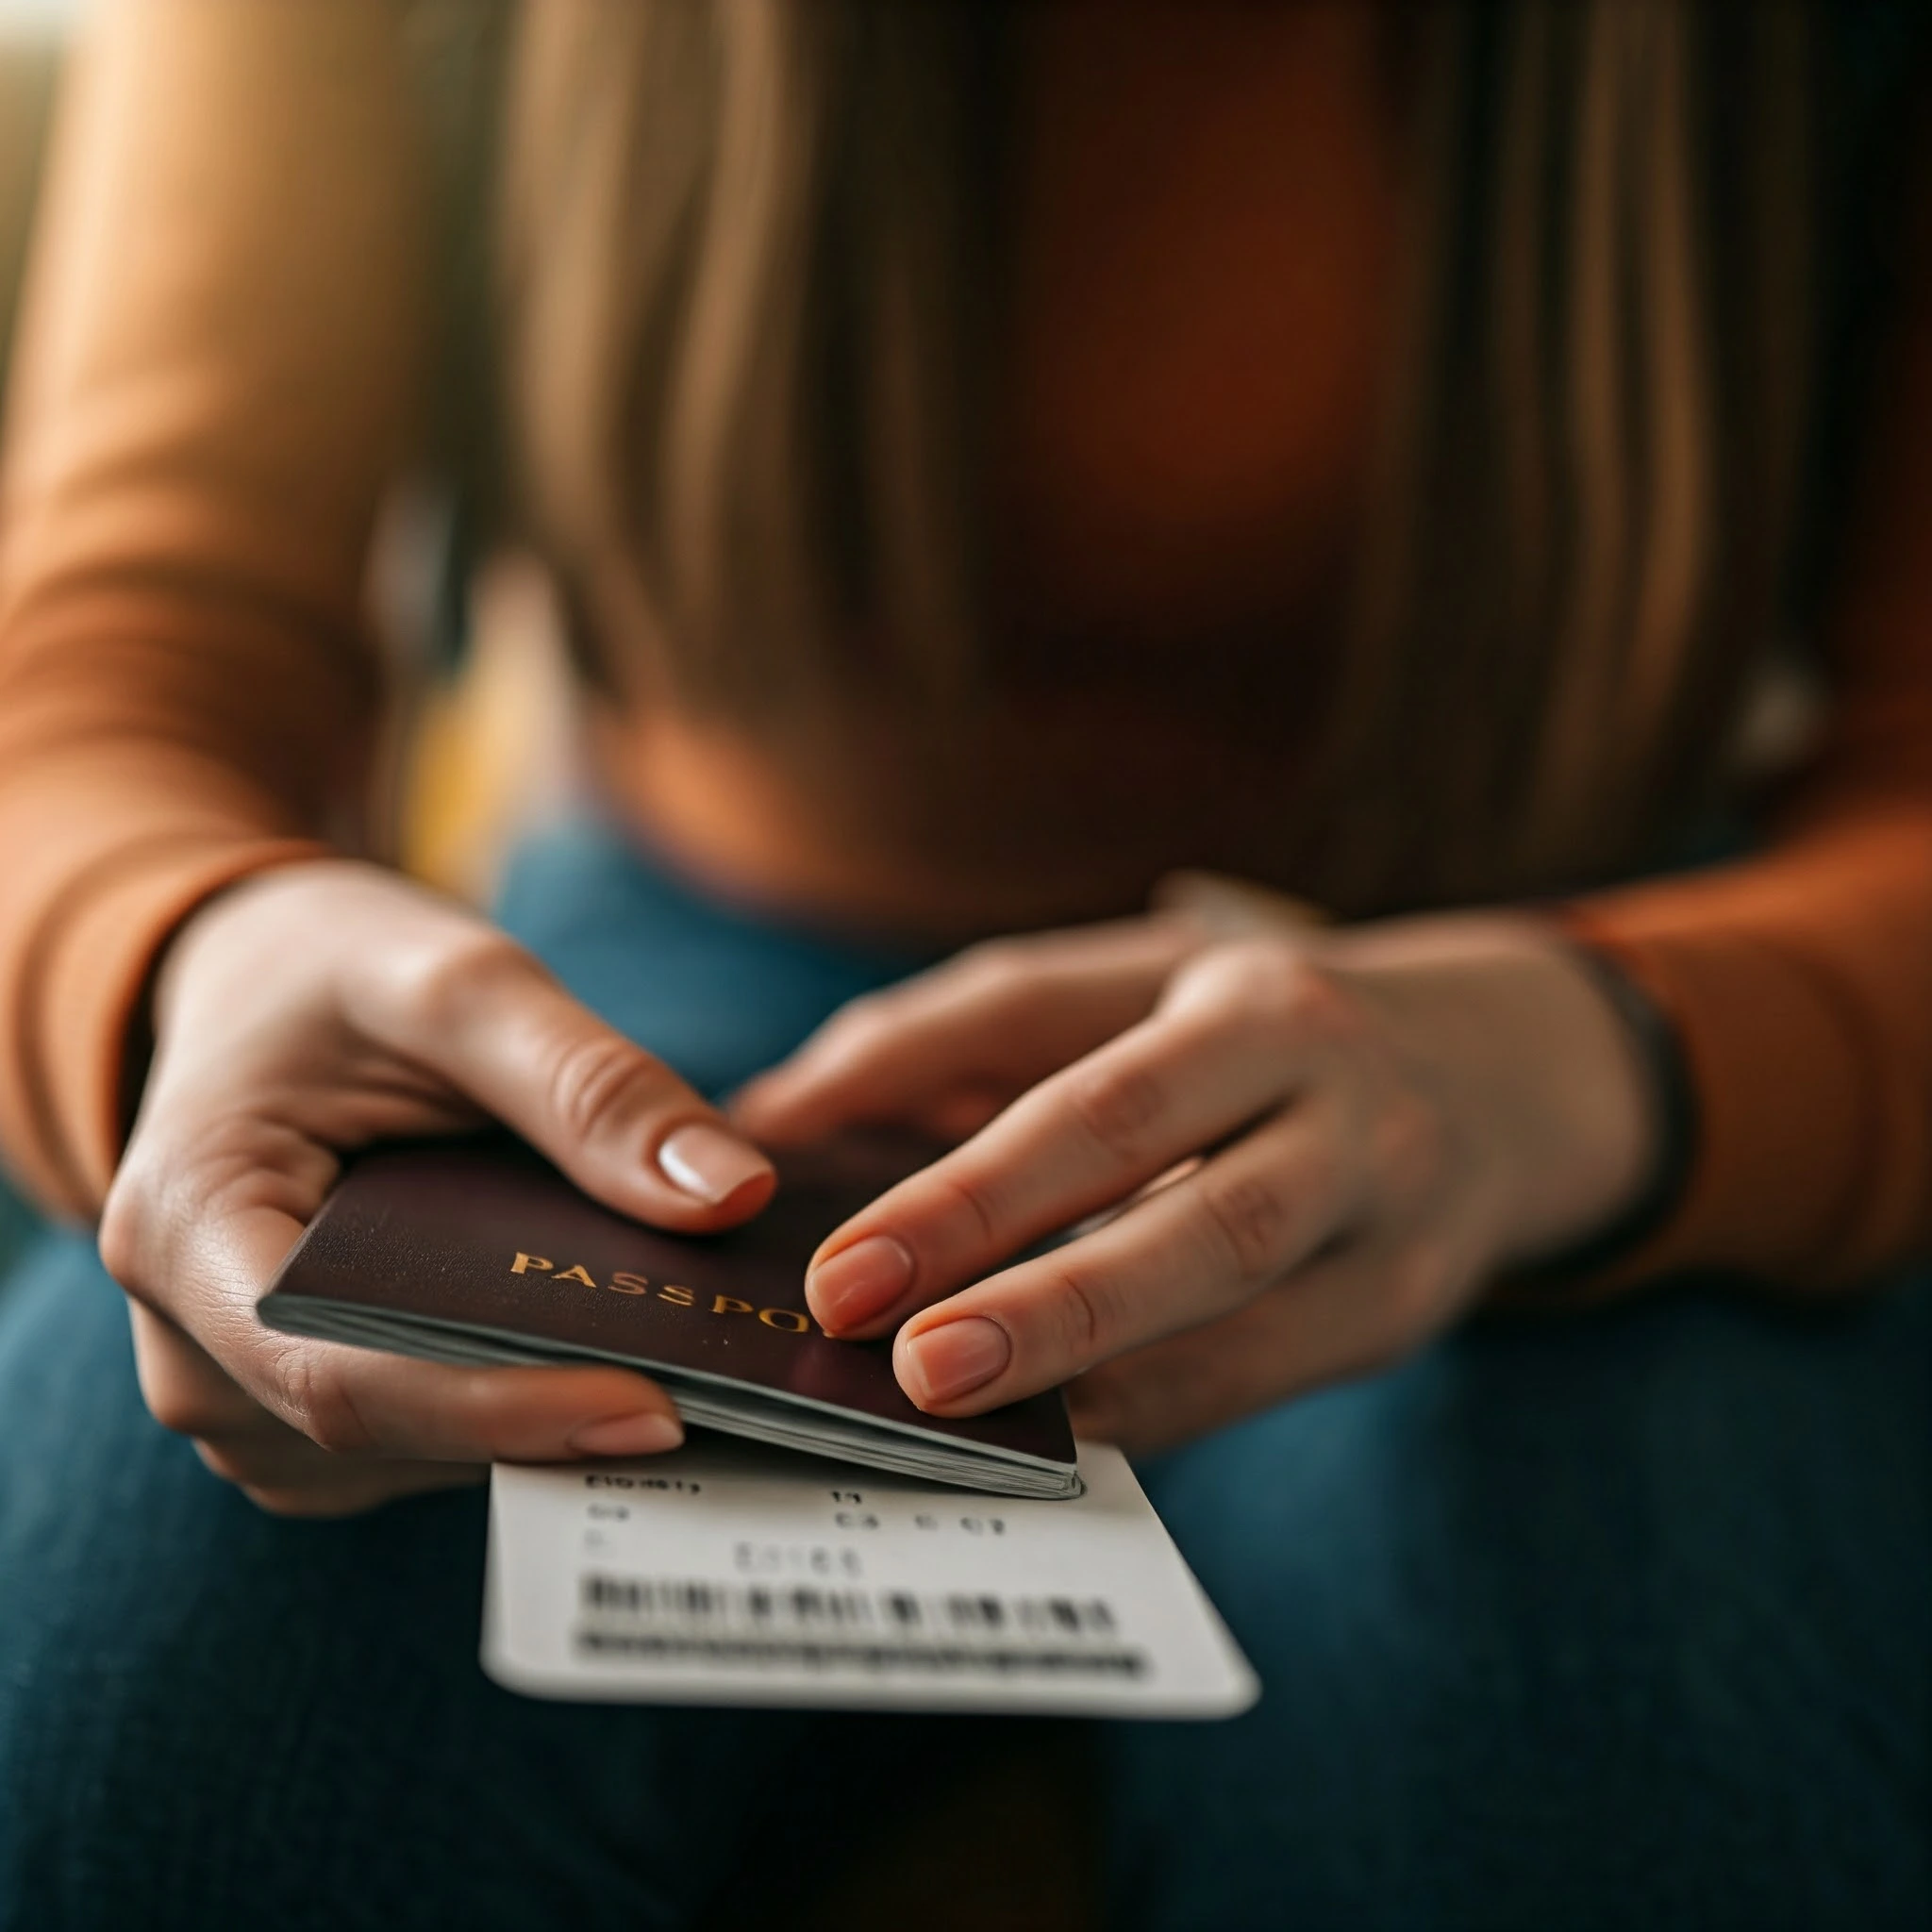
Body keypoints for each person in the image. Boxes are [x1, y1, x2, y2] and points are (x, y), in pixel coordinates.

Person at [0, 3, 1926, 1926]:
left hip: (1563, 1008)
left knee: (1593, 1797)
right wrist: (184, 945)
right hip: (644, 1015)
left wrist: (1627, 1054)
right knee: (124, 1725)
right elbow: (123, 651)